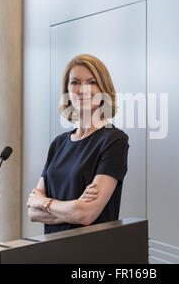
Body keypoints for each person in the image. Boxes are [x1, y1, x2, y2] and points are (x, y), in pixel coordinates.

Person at [27, 54, 130, 234]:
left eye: (91, 82)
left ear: (104, 90)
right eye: (75, 82)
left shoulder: (114, 141)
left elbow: (86, 215)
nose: (83, 90)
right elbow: (32, 212)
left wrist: (44, 203)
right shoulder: (58, 144)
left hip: (90, 250)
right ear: (67, 91)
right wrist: (73, 208)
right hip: (51, 250)